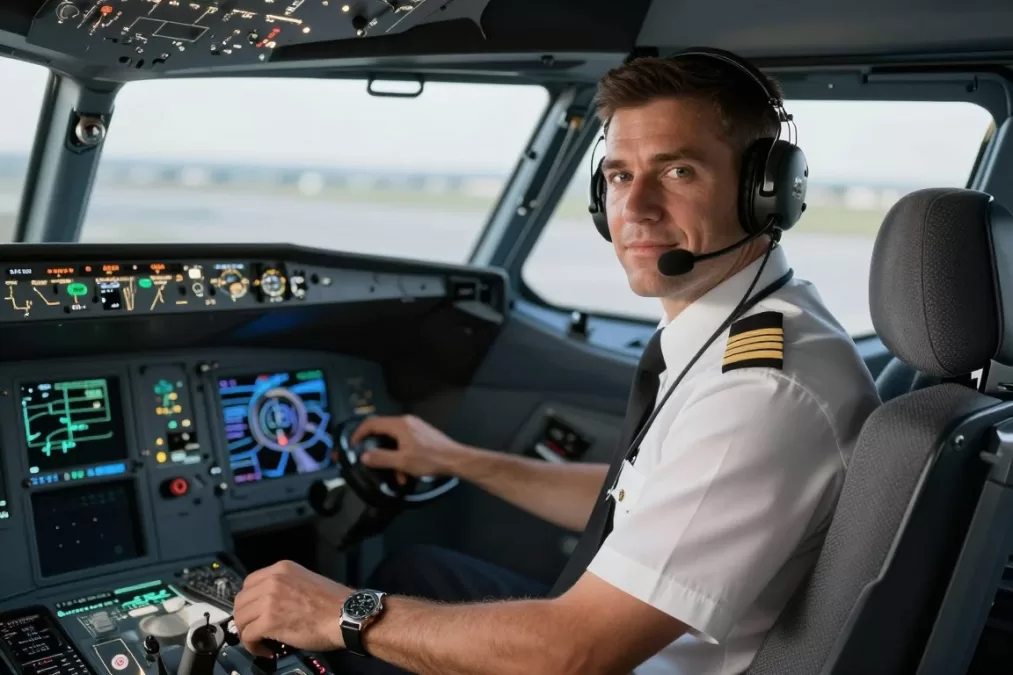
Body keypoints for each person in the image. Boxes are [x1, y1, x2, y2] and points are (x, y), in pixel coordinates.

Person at [232, 49, 881, 675]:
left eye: (678, 171)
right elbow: (636, 500)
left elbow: (575, 655)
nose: (635, 206)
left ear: (764, 192)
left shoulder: (759, 392)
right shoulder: (756, 329)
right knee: (416, 572)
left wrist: (337, 613)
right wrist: (454, 457)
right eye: (620, 175)